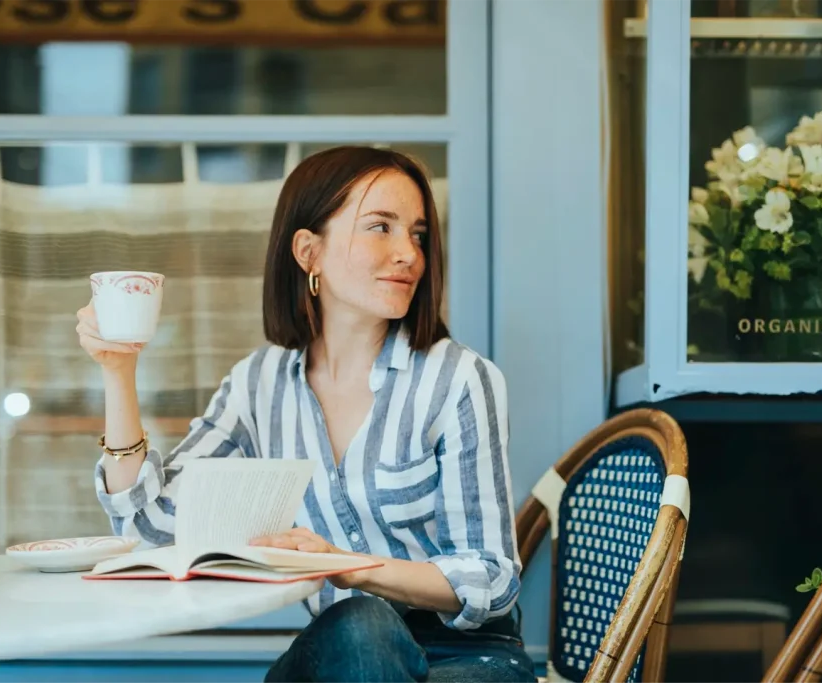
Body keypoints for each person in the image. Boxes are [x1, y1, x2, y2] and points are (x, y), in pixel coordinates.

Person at [76, 146, 536, 683]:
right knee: (358, 629)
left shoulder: (457, 379)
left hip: (467, 660)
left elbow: (490, 575)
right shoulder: (259, 384)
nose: (409, 254)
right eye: (380, 227)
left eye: (417, 234)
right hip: (349, 655)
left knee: (360, 618)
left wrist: (345, 566)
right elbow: (149, 523)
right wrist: (118, 370)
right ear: (308, 252)